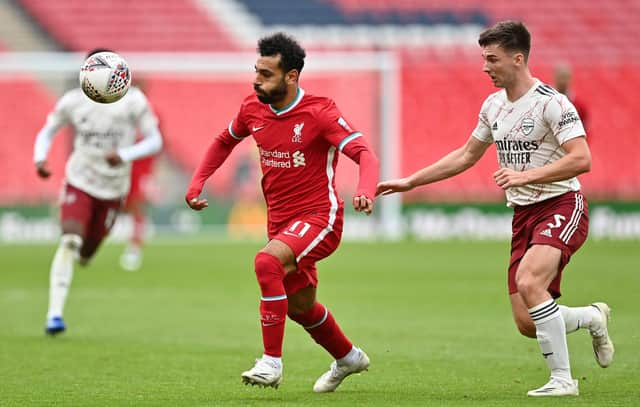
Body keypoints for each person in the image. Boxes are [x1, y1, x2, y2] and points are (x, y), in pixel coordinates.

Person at [377, 21, 613, 397]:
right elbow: (467, 155)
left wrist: (527, 176)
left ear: (518, 59)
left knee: (530, 282)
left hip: (562, 204)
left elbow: (582, 158)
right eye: (484, 59)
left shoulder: (552, 103)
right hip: (524, 214)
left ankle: (563, 381)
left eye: (492, 59)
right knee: (528, 321)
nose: (485, 67)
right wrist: (410, 181)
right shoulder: (494, 105)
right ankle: (591, 317)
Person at [185, 32, 379, 392]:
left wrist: (366, 190)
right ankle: (348, 357)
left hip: (321, 217)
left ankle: (271, 362)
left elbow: (365, 153)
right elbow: (224, 140)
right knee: (301, 308)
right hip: (280, 222)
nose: (257, 80)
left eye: (266, 74)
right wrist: (198, 182)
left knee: (266, 263)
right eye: (256, 71)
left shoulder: (319, 112)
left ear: (291, 76)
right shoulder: (251, 108)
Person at [34, 48, 163, 335]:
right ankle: (54, 315)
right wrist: (40, 157)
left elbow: (155, 141)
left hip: (113, 189)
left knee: (86, 254)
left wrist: (126, 154)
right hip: (79, 181)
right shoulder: (73, 102)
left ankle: (85, 254)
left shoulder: (133, 102)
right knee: (69, 240)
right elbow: (48, 130)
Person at [119, 148, 155, 271]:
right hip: (123, 171)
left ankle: (134, 248)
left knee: (137, 208)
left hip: (139, 172)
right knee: (125, 207)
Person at [554, 64, 589, 133]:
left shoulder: (579, 105)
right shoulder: (545, 101)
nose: (563, 81)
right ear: (555, 77)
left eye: (565, 77)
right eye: (561, 77)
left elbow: (584, 130)